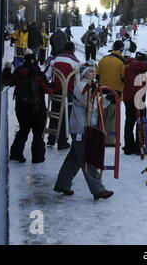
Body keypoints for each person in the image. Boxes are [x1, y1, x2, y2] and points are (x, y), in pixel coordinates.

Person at [54, 62, 114, 200]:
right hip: (82, 128)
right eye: (90, 71)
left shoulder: (92, 86)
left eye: (94, 71)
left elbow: (97, 103)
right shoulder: (81, 86)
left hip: (87, 126)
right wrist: (102, 98)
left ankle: (62, 184)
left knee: (74, 158)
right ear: (83, 73)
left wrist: (107, 98)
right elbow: (90, 105)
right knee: (88, 159)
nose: (93, 73)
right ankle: (98, 190)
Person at [2, 50, 53, 163]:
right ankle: (38, 157)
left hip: (21, 108)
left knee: (23, 130)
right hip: (38, 109)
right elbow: (48, 89)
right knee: (38, 134)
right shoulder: (39, 75)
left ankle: (16, 154)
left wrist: (7, 69)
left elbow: (7, 81)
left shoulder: (19, 72)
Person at [122, 47, 147, 155]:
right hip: (136, 98)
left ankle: (129, 146)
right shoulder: (135, 65)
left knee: (130, 121)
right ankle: (139, 146)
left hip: (130, 97)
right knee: (141, 121)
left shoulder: (131, 65)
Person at [45, 42, 81, 150]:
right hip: (67, 93)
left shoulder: (54, 60)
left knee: (55, 114)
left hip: (55, 91)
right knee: (66, 116)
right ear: (73, 50)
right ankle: (62, 141)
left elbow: (47, 75)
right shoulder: (75, 62)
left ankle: (51, 138)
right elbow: (77, 83)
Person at [97, 40, 127, 147]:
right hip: (115, 93)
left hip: (102, 92)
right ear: (122, 49)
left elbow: (97, 76)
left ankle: (99, 137)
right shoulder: (122, 62)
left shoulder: (103, 60)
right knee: (112, 117)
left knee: (102, 115)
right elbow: (124, 78)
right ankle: (109, 140)